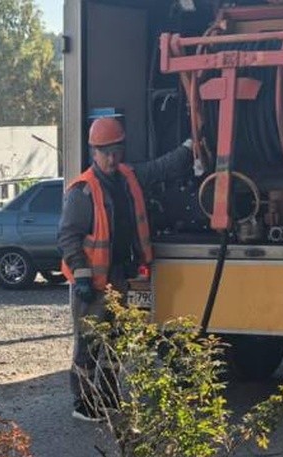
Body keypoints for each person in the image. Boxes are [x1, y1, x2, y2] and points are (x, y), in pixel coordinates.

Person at [58, 116, 194, 422]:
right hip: (94, 282)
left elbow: (162, 167)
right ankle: (82, 403)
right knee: (90, 343)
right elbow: (68, 236)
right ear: (93, 152)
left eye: (116, 150)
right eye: (104, 151)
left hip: (129, 275)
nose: (111, 157)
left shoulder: (129, 176)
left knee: (120, 339)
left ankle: (108, 396)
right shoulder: (82, 190)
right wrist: (81, 275)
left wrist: (190, 147)